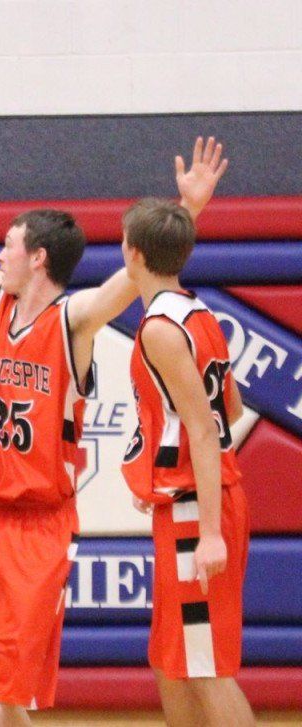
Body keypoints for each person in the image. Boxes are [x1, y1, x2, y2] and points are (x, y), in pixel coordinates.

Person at [0, 137, 226, 726]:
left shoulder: (76, 319)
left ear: (38, 257)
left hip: (38, 526)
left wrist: (188, 210)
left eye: (8, 246)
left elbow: (135, 273)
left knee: (1, 684)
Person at [121, 165, 254, 725]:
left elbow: (204, 428)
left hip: (197, 509)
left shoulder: (159, 329)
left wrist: (209, 534)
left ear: (131, 252)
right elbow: (235, 408)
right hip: (186, 500)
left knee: (205, 667)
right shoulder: (199, 314)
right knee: (170, 660)